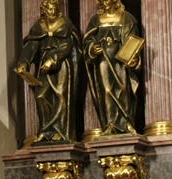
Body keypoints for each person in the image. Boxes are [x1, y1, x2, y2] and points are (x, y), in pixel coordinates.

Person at [14, 0, 81, 146]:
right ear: (44, 11)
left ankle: (61, 133)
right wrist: (23, 62)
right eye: (48, 10)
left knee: (61, 96)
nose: (51, 12)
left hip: (61, 66)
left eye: (53, 9)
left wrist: (53, 59)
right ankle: (46, 132)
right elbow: (31, 46)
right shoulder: (38, 27)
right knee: (41, 95)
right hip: (43, 66)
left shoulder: (65, 25)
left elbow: (67, 46)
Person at [83, 0, 141, 136]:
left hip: (121, 60)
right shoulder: (96, 20)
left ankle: (127, 123)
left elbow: (133, 41)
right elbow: (88, 40)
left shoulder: (127, 18)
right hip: (103, 60)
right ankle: (110, 124)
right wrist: (92, 48)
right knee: (106, 89)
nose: (105, 2)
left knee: (123, 89)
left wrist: (133, 58)